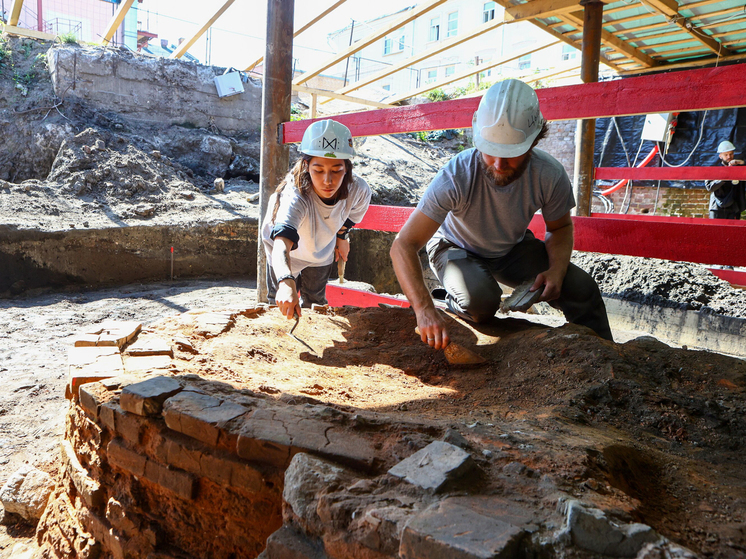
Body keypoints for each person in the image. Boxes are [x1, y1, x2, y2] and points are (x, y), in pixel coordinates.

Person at [390, 79, 613, 348]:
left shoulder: (549, 174)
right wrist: (424, 309)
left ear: (532, 143)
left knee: (581, 288)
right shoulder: (456, 175)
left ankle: (605, 355)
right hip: (455, 246)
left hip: (511, 249)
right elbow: (403, 245)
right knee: (480, 302)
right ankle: (448, 299)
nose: (498, 164)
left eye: (511, 154)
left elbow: (560, 228)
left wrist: (556, 270)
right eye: (490, 151)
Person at [262, 119, 372, 319]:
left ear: (347, 167)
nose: (327, 181)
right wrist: (286, 282)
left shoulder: (359, 191)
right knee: (280, 303)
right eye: (318, 170)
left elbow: (351, 217)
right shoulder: (296, 196)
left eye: (336, 170)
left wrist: (342, 237)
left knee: (316, 302)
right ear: (306, 165)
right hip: (286, 254)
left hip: (321, 249)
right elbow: (281, 244)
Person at [704, 140, 746, 220]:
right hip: (717, 208)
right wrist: (726, 176)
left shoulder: (738, 168)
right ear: (720, 156)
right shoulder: (713, 169)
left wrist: (740, 163)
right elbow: (709, 187)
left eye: (731, 154)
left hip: (733, 207)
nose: (729, 157)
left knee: (732, 232)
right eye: (726, 155)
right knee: (715, 232)